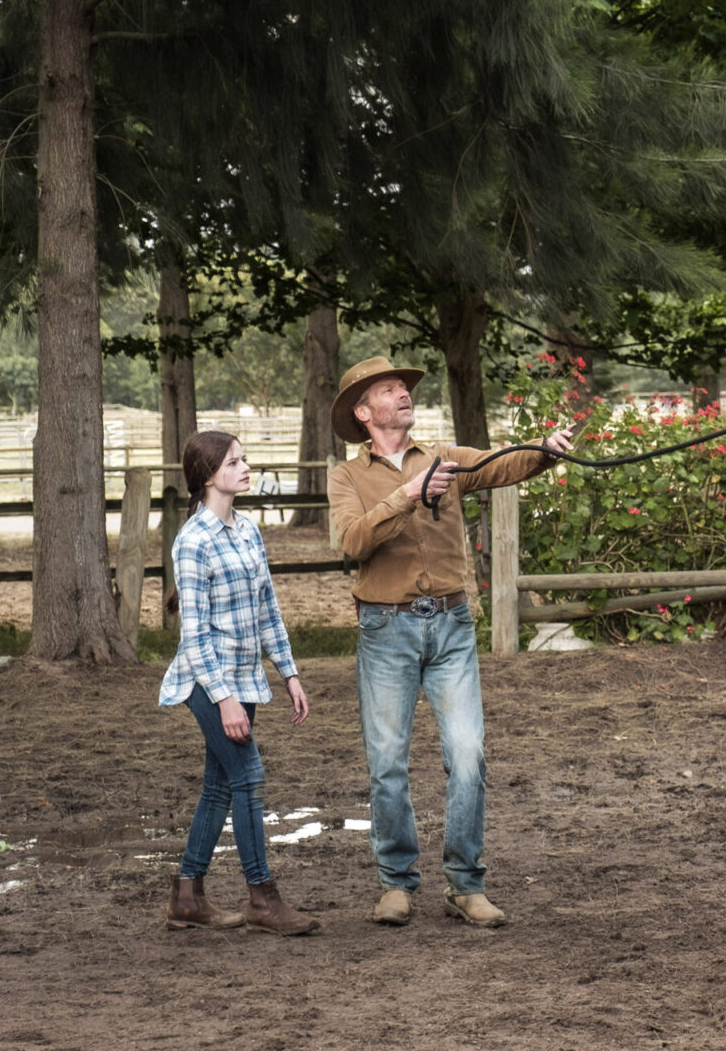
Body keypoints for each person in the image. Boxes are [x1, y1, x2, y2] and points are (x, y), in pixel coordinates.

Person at [327, 357, 574, 929]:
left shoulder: (447, 457)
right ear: (364, 414)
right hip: (385, 631)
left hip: (452, 627)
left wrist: (544, 449)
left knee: (468, 756)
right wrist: (408, 494)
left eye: (403, 388)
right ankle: (396, 883)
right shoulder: (346, 477)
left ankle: (466, 884)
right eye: (389, 390)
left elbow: (498, 465)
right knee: (387, 763)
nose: (403, 395)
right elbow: (352, 541)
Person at [158, 430, 320, 936]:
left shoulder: (249, 531)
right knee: (248, 776)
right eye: (235, 462)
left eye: (245, 460)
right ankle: (262, 898)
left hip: (247, 679)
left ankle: (187, 897)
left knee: (219, 786)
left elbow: (268, 611)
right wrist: (224, 699)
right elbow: (196, 634)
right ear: (210, 475)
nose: (246, 468)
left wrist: (289, 673)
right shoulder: (193, 542)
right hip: (207, 682)